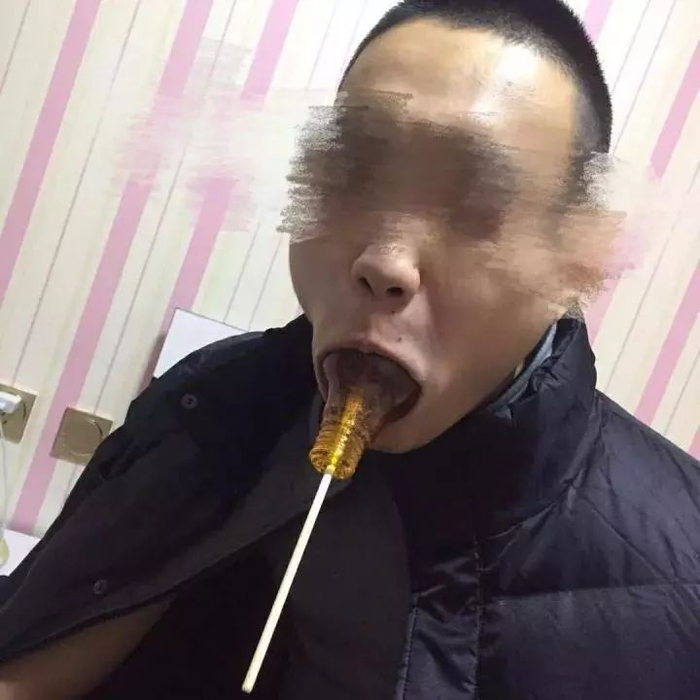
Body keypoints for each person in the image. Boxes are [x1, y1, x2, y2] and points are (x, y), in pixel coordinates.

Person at [1, 0, 699, 697]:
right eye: (351, 179)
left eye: (478, 208)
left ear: (574, 262)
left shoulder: (681, 569)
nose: (384, 263)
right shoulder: (206, 402)